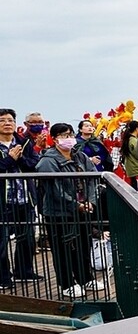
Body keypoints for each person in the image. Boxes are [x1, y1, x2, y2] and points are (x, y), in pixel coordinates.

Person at [36, 123, 102, 298]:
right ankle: (66, 283)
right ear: (55, 138)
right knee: (63, 249)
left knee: (83, 245)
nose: (69, 138)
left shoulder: (80, 156)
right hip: (58, 212)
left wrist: (91, 201)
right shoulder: (48, 160)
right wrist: (75, 204)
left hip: (83, 210)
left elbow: (93, 178)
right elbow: (53, 189)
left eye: (70, 134)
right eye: (64, 135)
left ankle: (85, 278)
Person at [0, 108, 41, 289]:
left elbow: (34, 164)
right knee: (1, 241)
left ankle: (24, 271)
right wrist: (9, 159)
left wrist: (19, 158)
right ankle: (2, 277)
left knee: (27, 238)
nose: (7, 123)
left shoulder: (24, 143)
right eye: (2, 120)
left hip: (25, 198)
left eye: (10, 120)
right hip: (3, 201)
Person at [119, 120, 138, 191]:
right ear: (136, 129)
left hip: (131, 169)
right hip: (136, 168)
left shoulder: (128, 139)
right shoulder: (133, 141)